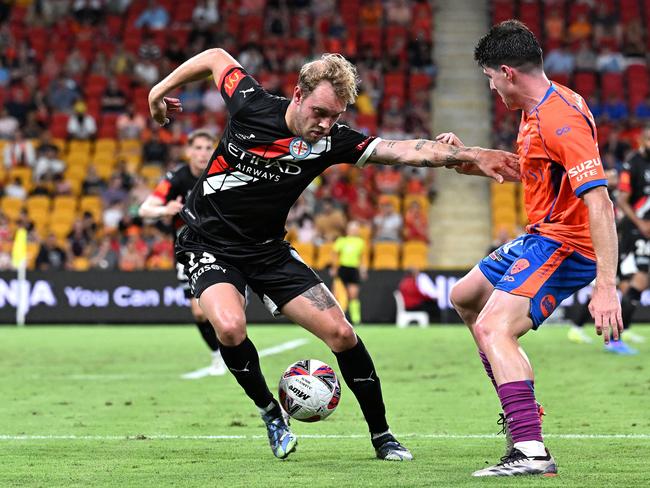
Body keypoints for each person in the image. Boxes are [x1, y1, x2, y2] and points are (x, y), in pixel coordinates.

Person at [147, 47, 517, 461]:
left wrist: (467, 155)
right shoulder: (251, 103)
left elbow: (402, 150)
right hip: (208, 243)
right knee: (230, 328)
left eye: (336, 117)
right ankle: (271, 413)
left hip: (267, 251)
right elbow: (216, 57)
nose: (325, 125)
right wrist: (158, 92)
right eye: (320, 112)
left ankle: (382, 435)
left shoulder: (330, 141)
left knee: (342, 333)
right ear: (298, 95)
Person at [448, 20, 622, 477]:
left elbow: (600, 201)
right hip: (541, 235)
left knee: (492, 328)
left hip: (568, 244)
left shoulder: (560, 118)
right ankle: (522, 408)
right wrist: (465, 157)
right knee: (464, 297)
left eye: (489, 78)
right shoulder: (538, 109)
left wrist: (606, 284)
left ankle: (529, 449)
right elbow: (531, 170)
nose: (491, 88)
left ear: (506, 72)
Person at [139, 129, 227, 378]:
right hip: (188, 251)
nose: (202, 153)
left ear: (213, 150)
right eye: (197, 148)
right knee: (199, 312)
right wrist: (166, 208)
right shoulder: (177, 178)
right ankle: (216, 354)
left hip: (221, 247)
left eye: (207, 147)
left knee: (224, 310)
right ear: (189, 151)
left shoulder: (222, 173)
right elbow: (145, 209)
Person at [612, 126, 650, 353]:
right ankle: (615, 338)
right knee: (638, 281)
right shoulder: (632, 164)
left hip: (646, 231)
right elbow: (623, 200)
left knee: (632, 284)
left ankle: (618, 334)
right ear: (642, 140)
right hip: (634, 231)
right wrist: (641, 224)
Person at [331, 220, 367, 326]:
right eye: (352, 229)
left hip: (353, 269)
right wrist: (334, 268)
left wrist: (363, 270)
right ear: (348, 230)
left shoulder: (360, 242)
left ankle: (356, 320)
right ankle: (335, 319)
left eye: (356, 229)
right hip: (342, 268)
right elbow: (334, 254)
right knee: (336, 294)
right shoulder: (342, 240)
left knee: (354, 295)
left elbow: (362, 258)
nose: (354, 231)